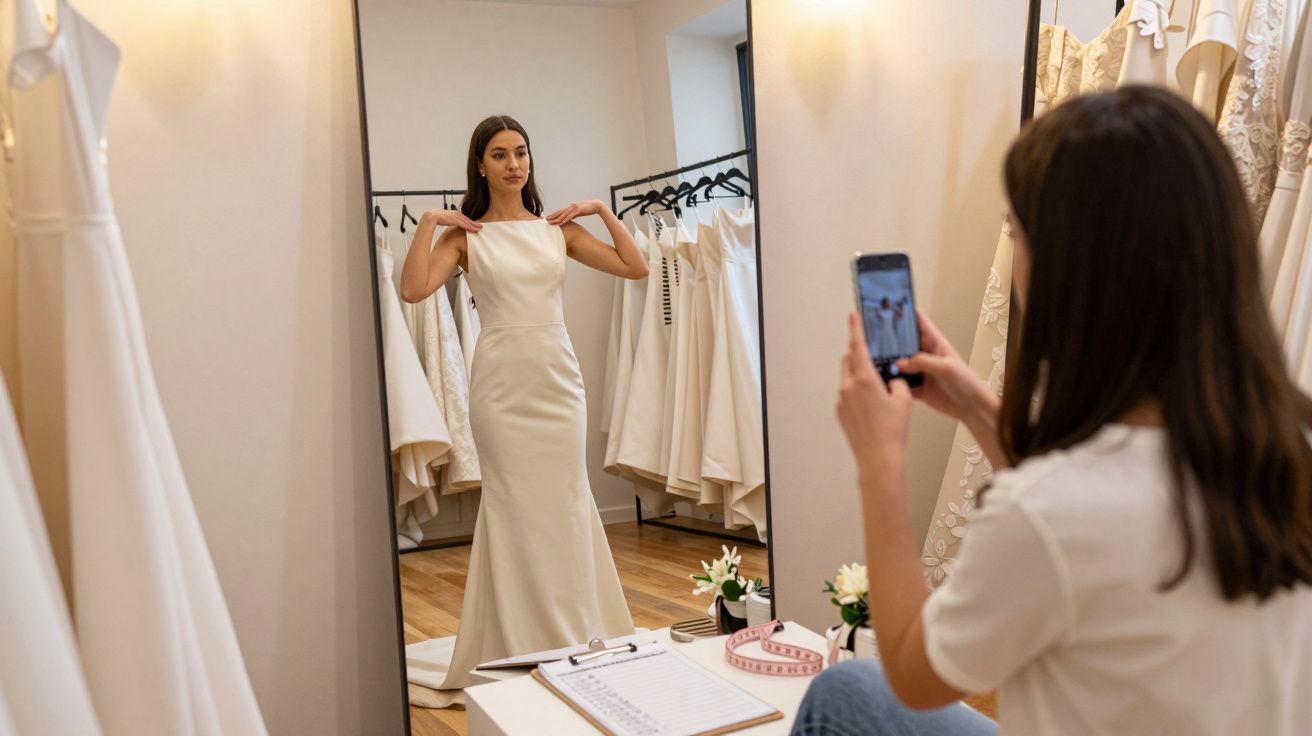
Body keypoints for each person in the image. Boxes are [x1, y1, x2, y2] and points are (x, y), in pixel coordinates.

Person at [793, 87, 1312, 735]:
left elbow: (911, 671)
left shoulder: (1047, 512)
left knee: (844, 693)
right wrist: (978, 407)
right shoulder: (1287, 444)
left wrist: (880, 464)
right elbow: (1095, 517)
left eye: (1016, 233)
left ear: (1071, 270)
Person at [398, 115, 648, 699]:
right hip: (501, 385)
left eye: (521, 152)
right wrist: (430, 223)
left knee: (566, 501)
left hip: (558, 380)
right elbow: (412, 289)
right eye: (500, 154)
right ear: (480, 165)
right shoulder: (466, 237)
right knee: (511, 506)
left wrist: (601, 211)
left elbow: (635, 266)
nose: (514, 164)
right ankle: (516, 637)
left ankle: (576, 627)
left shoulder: (558, 230)